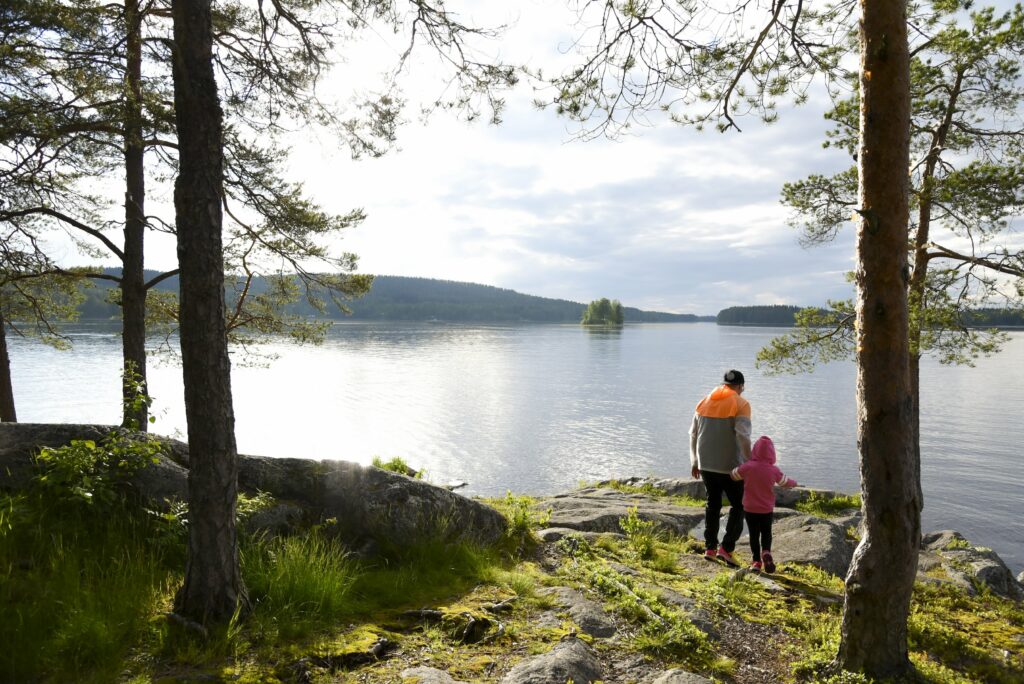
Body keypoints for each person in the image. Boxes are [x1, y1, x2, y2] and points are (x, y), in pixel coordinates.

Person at [689, 369, 751, 567]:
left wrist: (694, 460)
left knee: (713, 504)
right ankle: (726, 549)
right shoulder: (741, 403)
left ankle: (709, 548)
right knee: (739, 505)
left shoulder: (703, 401)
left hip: (705, 464)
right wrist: (751, 462)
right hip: (731, 467)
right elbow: (743, 436)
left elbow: (693, 434)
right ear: (740, 386)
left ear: (724, 384)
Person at [730, 435, 798, 573]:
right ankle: (766, 552)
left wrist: (738, 469)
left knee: (754, 535)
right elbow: (785, 482)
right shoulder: (773, 470)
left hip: (749, 508)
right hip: (766, 509)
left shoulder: (748, 467)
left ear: (754, 450)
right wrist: (795, 483)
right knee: (766, 533)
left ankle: (756, 561)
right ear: (772, 453)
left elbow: (733, 475)